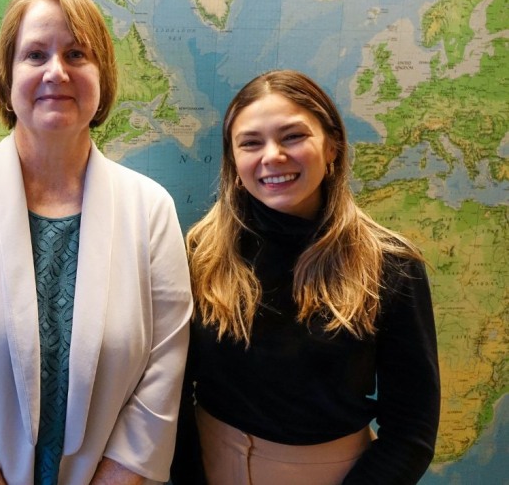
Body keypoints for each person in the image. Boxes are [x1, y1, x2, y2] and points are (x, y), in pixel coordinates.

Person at [0, 0, 193, 484]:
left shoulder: (151, 210)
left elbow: (164, 375)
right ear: (6, 79)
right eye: (35, 55)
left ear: (102, 79)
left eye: (77, 54)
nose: (57, 71)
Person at [170, 70, 440, 484]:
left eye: (293, 136)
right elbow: (175, 394)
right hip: (211, 465)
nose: (272, 156)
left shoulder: (392, 266)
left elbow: (412, 431)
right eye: (251, 143)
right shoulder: (200, 254)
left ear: (332, 146)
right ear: (234, 161)